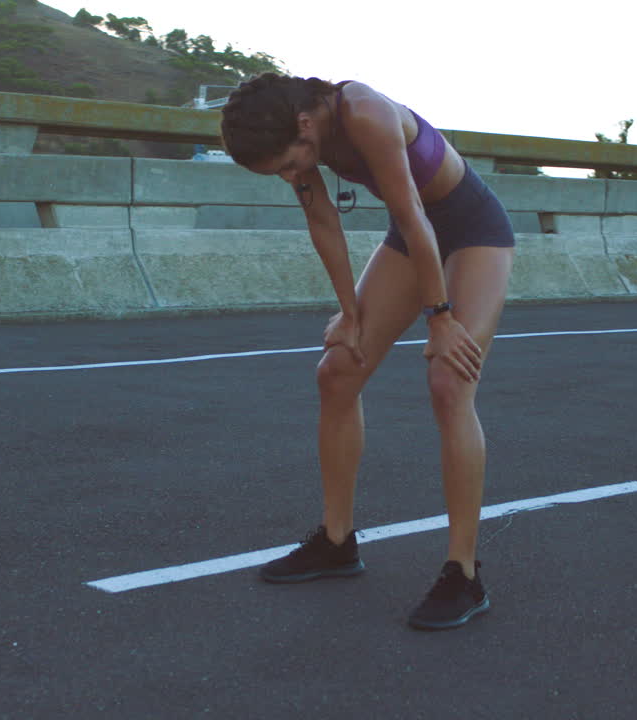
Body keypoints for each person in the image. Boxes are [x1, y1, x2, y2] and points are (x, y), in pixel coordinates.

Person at [220, 73, 515, 630]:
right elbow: (322, 220)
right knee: (337, 370)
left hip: (472, 229)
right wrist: (350, 316)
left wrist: (441, 317)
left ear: (305, 126)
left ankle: (464, 573)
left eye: (289, 164)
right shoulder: (298, 128)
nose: (292, 175)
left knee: (450, 381)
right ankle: (336, 541)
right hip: (412, 240)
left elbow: (413, 214)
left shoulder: (365, 113)